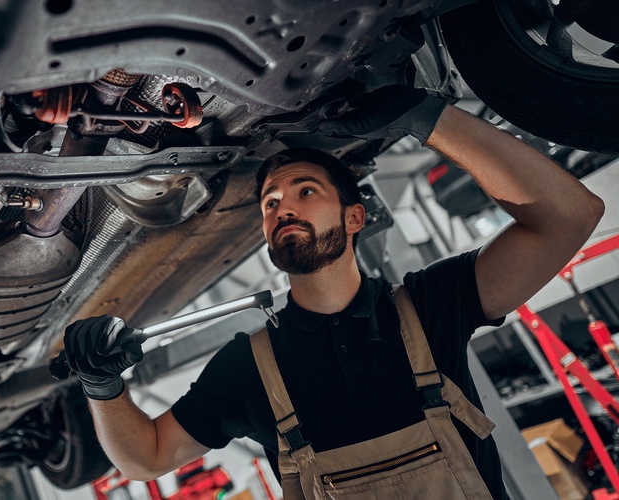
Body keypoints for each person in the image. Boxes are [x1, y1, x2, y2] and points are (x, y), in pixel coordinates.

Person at [62, 86, 605, 499]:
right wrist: (102, 386)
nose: (282, 206)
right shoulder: (249, 367)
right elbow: (146, 457)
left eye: (305, 190)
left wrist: (424, 116)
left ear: (355, 217)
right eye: (270, 202)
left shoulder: (431, 306)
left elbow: (569, 217)